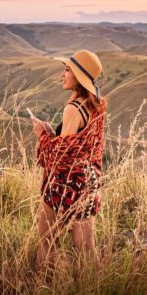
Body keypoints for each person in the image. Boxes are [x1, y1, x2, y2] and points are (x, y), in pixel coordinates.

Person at [30, 49, 107, 276]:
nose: (62, 75)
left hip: (66, 184)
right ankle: (96, 293)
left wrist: (42, 135)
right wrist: (51, 133)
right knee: (87, 250)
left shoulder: (72, 108)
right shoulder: (93, 105)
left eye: (67, 70)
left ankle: (44, 293)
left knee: (46, 241)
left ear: (78, 76)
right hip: (87, 181)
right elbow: (77, 148)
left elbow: (61, 156)